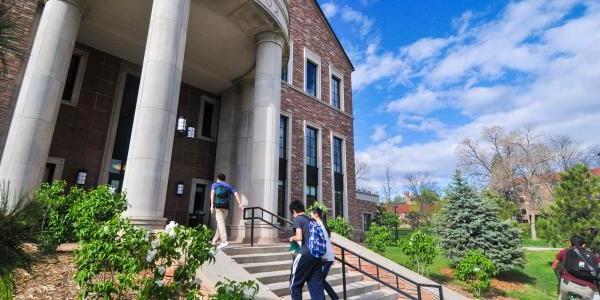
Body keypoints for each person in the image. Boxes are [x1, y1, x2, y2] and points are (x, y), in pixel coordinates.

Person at [289, 200, 325, 300]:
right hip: (317, 256)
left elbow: (299, 237)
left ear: (294, 211)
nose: (293, 216)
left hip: (305, 254)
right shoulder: (311, 219)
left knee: (294, 285)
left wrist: (292, 238)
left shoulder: (298, 219)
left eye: (292, 214)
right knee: (316, 287)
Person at [552, 235, 600, 300]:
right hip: (587, 289)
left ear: (570, 243)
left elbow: (554, 266)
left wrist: (559, 271)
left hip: (567, 284)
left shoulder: (564, 251)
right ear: (584, 245)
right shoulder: (593, 256)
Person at [310, 207, 338, 300]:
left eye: (311, 213)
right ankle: (334, 297)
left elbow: (320, 242)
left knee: (319, 281)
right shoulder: (322, 224)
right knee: (320, 280)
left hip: (325, 258)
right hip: (328, 258)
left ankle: (335, 297)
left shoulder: (318, 225)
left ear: (316, 214)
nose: (310, 215)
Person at [210, 173, 243, 250]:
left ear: (217, 178)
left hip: (218, 207)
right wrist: (240, 204)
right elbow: (235, 193)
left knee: (220, 223)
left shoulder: (215, 185)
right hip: (226, 207)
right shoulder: (228, 186)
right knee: (220, 223)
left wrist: (212, 206)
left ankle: (224, 241)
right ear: (224, 179)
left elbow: (212, 194)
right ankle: (214, 240)